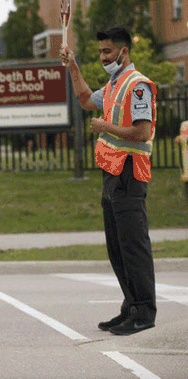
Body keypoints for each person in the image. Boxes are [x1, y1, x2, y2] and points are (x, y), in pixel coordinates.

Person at [60, 26, 157, 335]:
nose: (103, 57)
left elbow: (141, 132)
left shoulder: (137, 85)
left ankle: (144, 312)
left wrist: (106, 126)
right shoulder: (115, 84)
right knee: (117, 246)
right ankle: (130, 307)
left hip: (129, 172)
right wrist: (73, 67)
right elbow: (88, 100)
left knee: (133, 245)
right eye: (101, 51)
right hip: (112, 174)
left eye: (107, 52)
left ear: (123, 52)